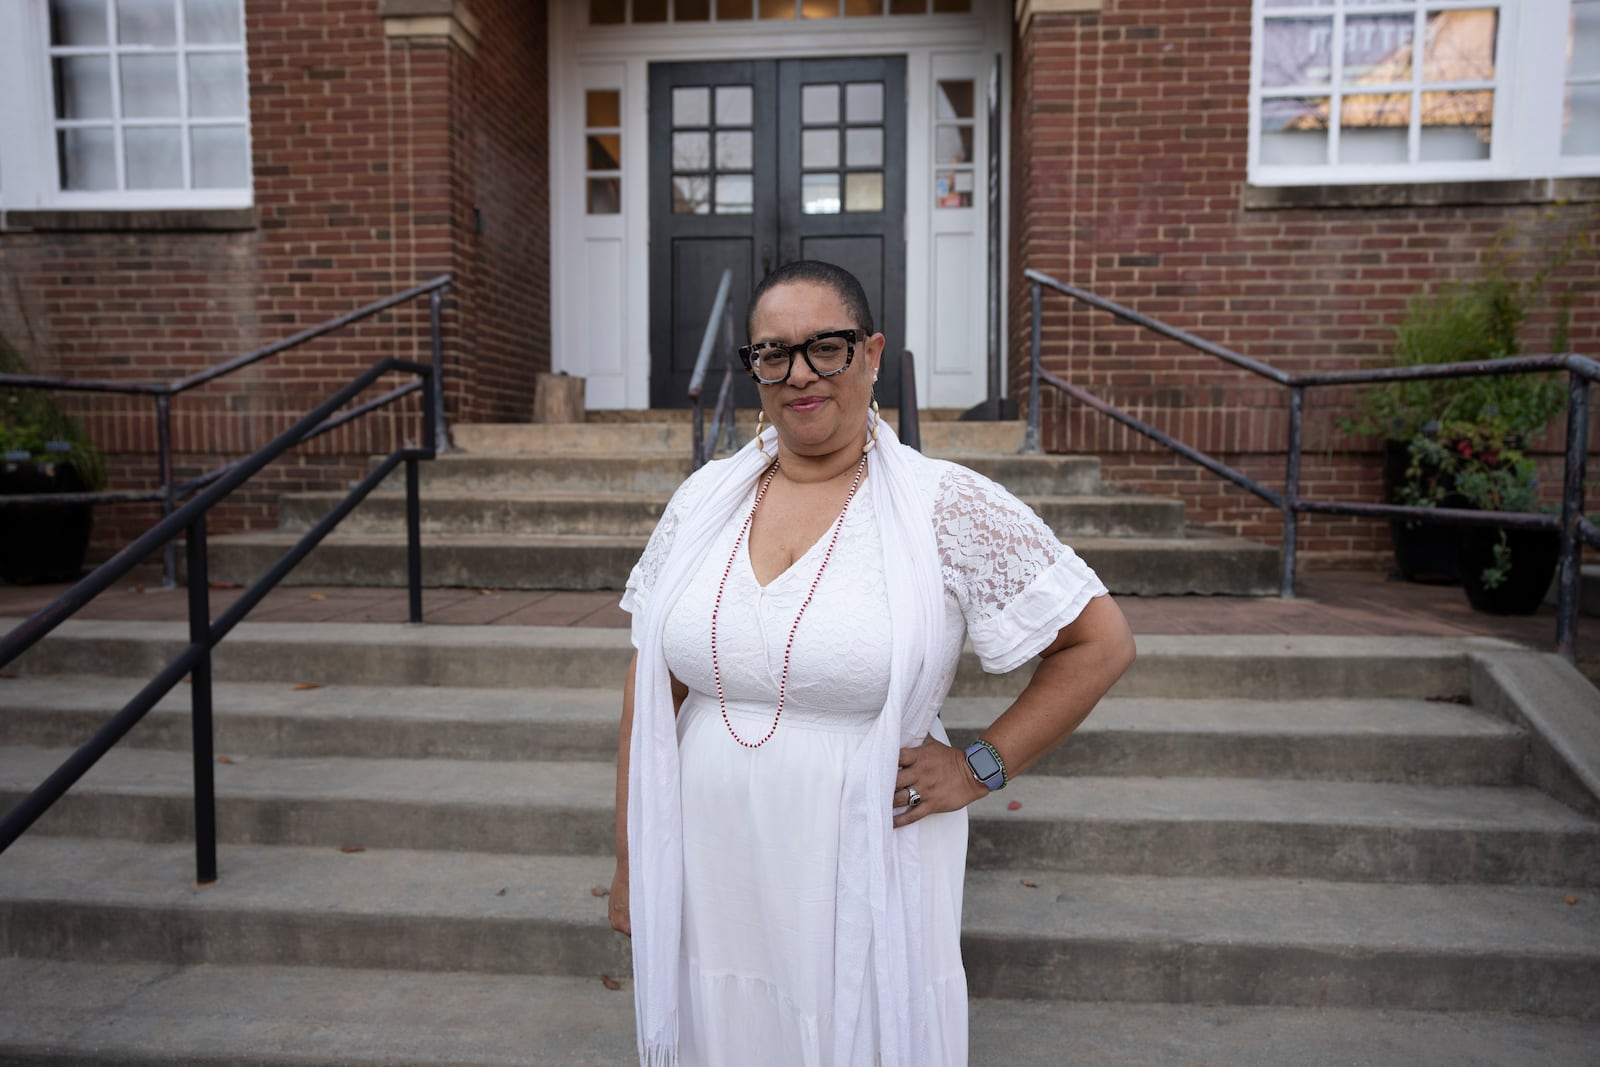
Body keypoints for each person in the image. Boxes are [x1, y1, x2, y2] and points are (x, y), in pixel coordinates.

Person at [611, 260, 1135, 1067]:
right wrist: (630, 859)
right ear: (754, 368)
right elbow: (652, 686)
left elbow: (1100, 642)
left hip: (863, 852)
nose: (800, 375)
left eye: (827, 347)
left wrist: (981, 763)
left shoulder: (946, 505)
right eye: (773, 354)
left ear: (872, 353)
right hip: (709, 855)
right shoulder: (703, 502)